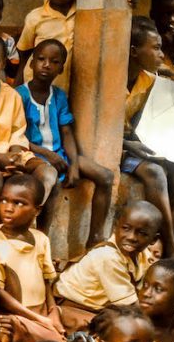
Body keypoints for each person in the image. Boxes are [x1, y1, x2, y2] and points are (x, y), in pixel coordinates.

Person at [16, 38, 114, 247]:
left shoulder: (59, 96)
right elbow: (17, 135)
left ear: (61, 69)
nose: (46, 65)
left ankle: (95, 239)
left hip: (60, 153)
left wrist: (75, 166)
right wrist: (48, 155)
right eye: (41, 59)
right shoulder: (19, 95)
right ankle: (30, 236)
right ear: (31, 63)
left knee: (106, 176)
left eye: (54, 61)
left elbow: (67, 132)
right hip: (33, 155)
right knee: (46, 181)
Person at [0, 33, 58, 228]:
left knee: (48, 173)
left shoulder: (11, 95)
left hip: (12, 155)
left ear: (3, 63)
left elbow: (18, 131)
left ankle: (33, 230)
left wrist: (15, 155)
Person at [121, 17, 174, 260]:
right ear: (133, 51)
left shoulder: (146, 78)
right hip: (114, 148)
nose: (161, 54)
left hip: (136, 144)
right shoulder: (112, 81)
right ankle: (170, 247)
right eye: (155, 48)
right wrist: (126, 143)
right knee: (155, 172)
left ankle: (165, 242)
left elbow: (162, 75)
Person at [0, 173, 64, 342]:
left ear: (37, 210)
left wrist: (53, 313)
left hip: (40, 313)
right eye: (4, 200)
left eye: (18, 203)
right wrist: (39, 320)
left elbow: (46, 283)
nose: (8, 208)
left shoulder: (41, 239)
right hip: (11, 316)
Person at [55, 201, 162, 331]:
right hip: (74, 306)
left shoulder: (143, 254)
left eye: (142, 233)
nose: (132, 237)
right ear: (116, 226)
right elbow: (130, 307)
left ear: (153, 239)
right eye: (126, 228)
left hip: (100, 307)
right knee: (125, 330)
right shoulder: (108, 257)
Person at [15, 0, 78, 90]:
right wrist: (17, 88)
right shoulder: (35, 18)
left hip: (70, 88)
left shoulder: (84, 14)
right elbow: (24, 55)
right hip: (37, 88)